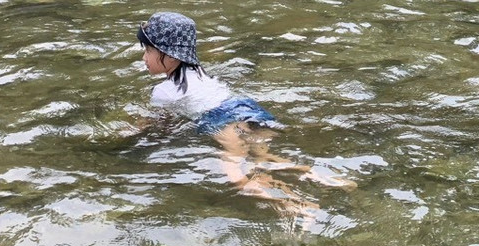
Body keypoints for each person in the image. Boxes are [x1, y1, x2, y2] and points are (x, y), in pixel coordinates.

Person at [135, 12, 348, 210]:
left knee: (236, 175)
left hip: (221, 120)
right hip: (245, 108)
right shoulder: (201, 74)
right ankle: (319, 175)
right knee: (265, 157)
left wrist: (133, 133)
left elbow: (160, 124)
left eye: (148, 50)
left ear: (171, 57)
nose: (144, 57)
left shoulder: (163, 91)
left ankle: (294, 206)